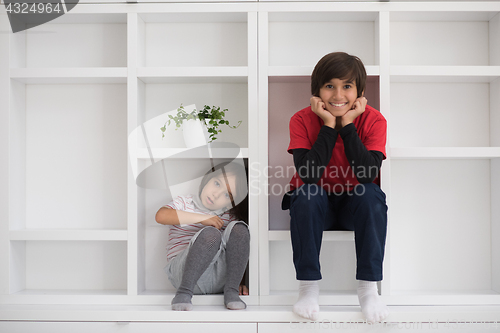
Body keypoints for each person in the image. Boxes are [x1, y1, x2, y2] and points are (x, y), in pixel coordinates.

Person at [282, 52, 389, 323]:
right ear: (317, 91)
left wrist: (349, 125)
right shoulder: (301, 119)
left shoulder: (374, 120)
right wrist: (330, 126)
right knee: (308, 192)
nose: (338, 95)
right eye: (329, 86)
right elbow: (308, 174)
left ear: (360, 92)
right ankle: (307, 289)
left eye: (347, 86)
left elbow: (366, 174)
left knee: (370, 193)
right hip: (317, 206)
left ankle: (368, 290)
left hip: (356, 206)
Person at [156, 161, 249, 311]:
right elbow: (161, 216)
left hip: (219, 280)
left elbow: (239, 250)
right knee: (211, 233)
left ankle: (232, 291)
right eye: (217, 184)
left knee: (240, 229)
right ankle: (184, 293)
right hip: (183, 274)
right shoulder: (185, 203)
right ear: (208, 178)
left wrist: (240, 281)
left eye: (227, 195)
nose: (216, 194)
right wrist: (202, 219)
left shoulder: (228, 217)